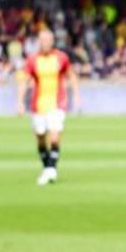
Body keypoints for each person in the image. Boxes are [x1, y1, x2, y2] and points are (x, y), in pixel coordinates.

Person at [16, 28, 80, 186]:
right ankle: (47, 168)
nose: (46, 43)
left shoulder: (61, 57)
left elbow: (71, 74)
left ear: (53, 41)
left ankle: (51, 169)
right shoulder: (32, 60)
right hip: (38, 104)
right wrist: (19, 101)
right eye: (43, 40)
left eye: (48, 40)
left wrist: (76, 95)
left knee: (54, 136)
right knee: (40, 137)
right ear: (39, 41)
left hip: (57, 103)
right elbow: (24, 81)